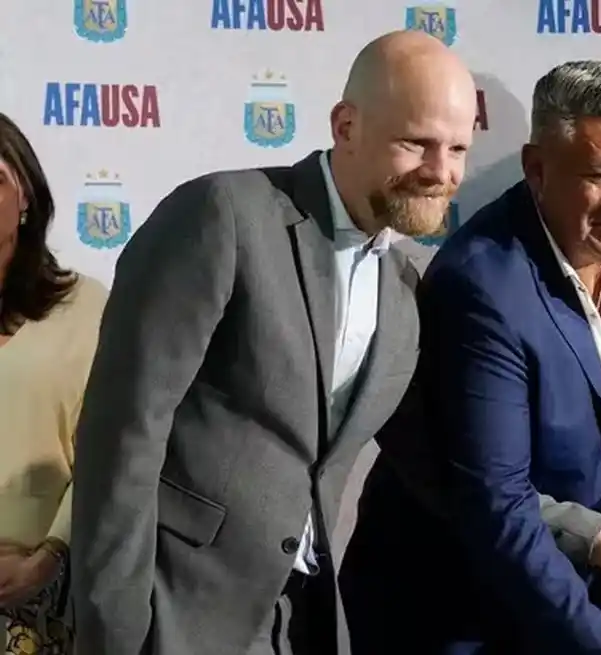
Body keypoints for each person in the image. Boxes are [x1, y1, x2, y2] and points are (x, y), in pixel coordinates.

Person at [69, 31, 476, 655]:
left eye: (457, 148)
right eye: (415, 142)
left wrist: (595, 535)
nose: (441, 171)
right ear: (346, 126)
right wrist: (115, 630)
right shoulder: (225, 214)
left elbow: (441, 470)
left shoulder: (401, 287)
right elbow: (122, 431)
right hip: (178, 613)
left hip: (306, 619)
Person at [342, 60, 601, 655]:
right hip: (460, 615)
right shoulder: (481, 284)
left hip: (587, 605)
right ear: (537, 168)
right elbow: (498, 508)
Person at [0, 113, 107, 655]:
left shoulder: (85, 308)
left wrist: (50, 556)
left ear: (25, 199)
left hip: (45, 596)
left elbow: (112, 452)